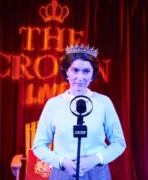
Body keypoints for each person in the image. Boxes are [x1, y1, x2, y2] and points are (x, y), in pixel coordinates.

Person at [32, 43, 126, 180]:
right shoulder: (53, 105)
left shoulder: (104, 103)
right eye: (75, 70)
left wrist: (96, 158)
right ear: (67, 72)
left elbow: (119, 143)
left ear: (93, 74)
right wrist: (62, 162)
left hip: (97, 173)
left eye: (86, 71)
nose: (80, 77)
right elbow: (39, 146)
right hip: (62, 173)